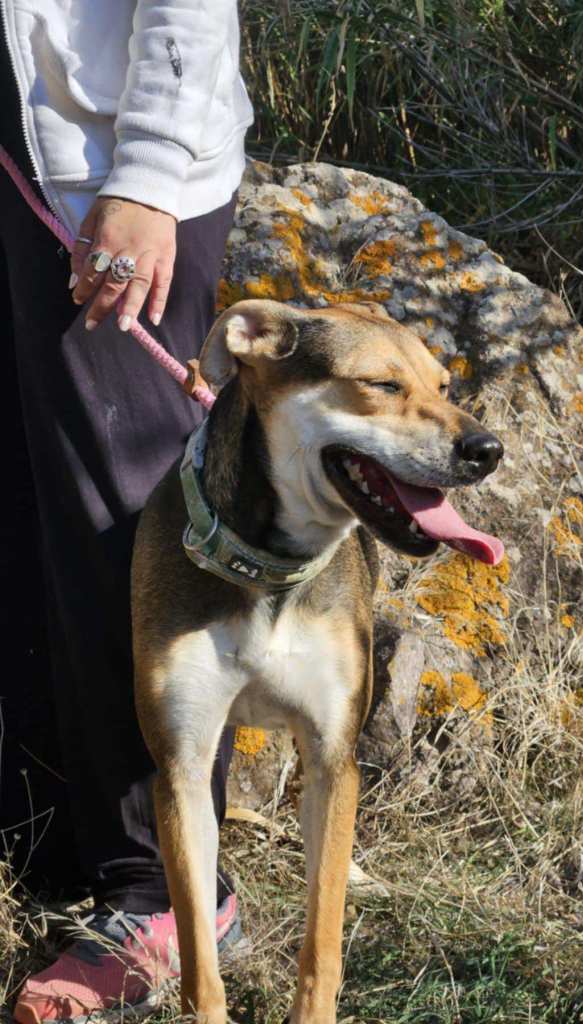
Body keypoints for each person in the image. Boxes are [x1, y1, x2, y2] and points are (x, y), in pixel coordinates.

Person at [0, 3, 253, 1021]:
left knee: (129, 543)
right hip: (16, 155)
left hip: (100, 174)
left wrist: (146, 174)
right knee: (25, 519)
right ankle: (48, 841)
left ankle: (169, 895)